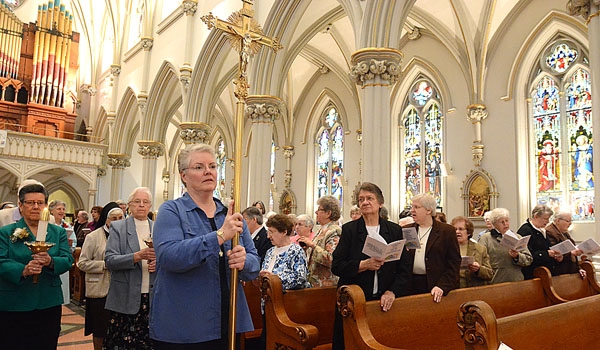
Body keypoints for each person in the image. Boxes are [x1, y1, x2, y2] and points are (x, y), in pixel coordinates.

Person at [150, 144, 259, 349]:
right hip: (185, 325)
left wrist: (245, 261)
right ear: (184, 175)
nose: (208, 171)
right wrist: (219, 236)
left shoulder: (231, 215)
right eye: (199, 167)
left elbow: (254, 262)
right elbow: (169, 257)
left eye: (212, 166)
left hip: (227, 321)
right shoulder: (171, 211)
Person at [332, 182, 412, 350]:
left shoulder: (394, 230)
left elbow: (404, 269)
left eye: (370, 198)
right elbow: (337, 266)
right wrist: (363, 265)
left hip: (383, 299)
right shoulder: (350, 230)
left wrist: (392, 291)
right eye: (361, 199)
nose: (365, 202)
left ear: (380, 203)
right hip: (354, 300)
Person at [0, 182, 73, 349]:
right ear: (20, 205)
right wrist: (23, 270)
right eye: (30, 202)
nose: (35, 207)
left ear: (46, 206)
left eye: (40, 203)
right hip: (14, 301)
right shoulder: (7, 232)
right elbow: (1, 260)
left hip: (47, 300)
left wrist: (50, 261)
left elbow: (67, 259)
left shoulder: (57, 232)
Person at [104, 187, 156, 349]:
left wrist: (159, 263)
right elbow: (110, 260)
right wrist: (137, 256)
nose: (141, 205)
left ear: (150, 206)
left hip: (153, 295)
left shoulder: (158, 227)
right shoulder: (119, 227)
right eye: (137, 202)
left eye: (145, 202)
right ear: (129, 205)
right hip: (126, 296)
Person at [77, 202, 122, 350]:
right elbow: (82, 263)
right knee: (100, 329)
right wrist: (104, 265)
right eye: (113, 218)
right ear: (106, 219)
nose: (117, 221)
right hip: (100, 289)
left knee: (118, 329)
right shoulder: (94, 237)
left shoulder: (126, 236)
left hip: (121, 289)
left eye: (120, 217)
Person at [405, 193, 461, 301]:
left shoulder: (446, 231)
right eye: (411, 207)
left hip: (436, 285)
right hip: (411, 285)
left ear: (429, 210)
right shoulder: (407, 230)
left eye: (416, 207)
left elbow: (454, 263)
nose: (412, 210)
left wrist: (442, 286)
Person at [479, 208, 533, 284]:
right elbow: (481, 259)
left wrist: (517, 256)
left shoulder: (518, 237)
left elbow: (528, 259)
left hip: (516, 281)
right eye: (502, 222)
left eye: (507, 221)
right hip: (496, 281)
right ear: (494, 224)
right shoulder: (486, 238)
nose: (505, 224)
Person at [300, 195, 341, 287]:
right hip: (314, 281)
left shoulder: (334, 231)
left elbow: (331, 259)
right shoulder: (321, 230)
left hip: (326, 283)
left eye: (319, 210)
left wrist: (313, 246)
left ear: (328, 213)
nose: (316, 212)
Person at [518, 204, 560, 280]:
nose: (547, 221)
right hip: (533, 274)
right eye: (545, 218)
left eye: (548, 219)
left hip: (545, 273)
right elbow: (527, 255)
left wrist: (555, 256)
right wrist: (546, 254)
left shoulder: (542, 230)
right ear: (536, 216)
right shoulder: (526, 230)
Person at [450, 216, 493, 288]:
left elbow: (489, 274)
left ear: (468, 232)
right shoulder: (446, 248)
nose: (457, 232)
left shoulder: (480, 249)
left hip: (473, 289)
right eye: (455, 229)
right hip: (452, 290)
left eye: (461, 229)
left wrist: (478, 269)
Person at [48, 199, 76, 305]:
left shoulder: (67, 226)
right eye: (59, 209)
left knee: (63, 287)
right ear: (51, 211)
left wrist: (70, 245)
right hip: (50, 259)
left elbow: (74, 243)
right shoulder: (47, 224)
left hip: (62, 258)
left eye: (63, 209)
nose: (62, 211)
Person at [545, 211, 586, 277]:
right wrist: (571, 253)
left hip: (570, 271)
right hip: (560, 272)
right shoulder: (550, 232)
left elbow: (572, 248)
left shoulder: (564, 232)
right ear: (558, 220)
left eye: (571, 221)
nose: (570, 223)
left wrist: (578, 269)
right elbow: (555, 252)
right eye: (568, 221)